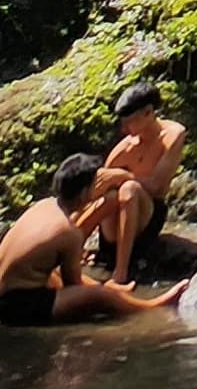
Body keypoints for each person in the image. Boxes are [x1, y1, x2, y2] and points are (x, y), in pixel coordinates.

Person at [0, 155, 189, 327]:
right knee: (99, 298)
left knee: (52, 275)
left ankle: (114, 292)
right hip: (13, 308)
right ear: (84, 192)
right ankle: (154, 306)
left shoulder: (43, 206)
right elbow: (75, 286)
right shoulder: (68, 232)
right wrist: (106, 294)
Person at [78, 81, 188, 277]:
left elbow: (157, 187)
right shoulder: (123, 149)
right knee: (111, 196)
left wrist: (122, 175)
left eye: (130, 121)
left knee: (129, 188)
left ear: (148, 112)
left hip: (147, 218)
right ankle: (70, 250)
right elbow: (93, 195)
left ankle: (121, 273)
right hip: (112, 234)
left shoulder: (172, 135)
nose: (124, 128)